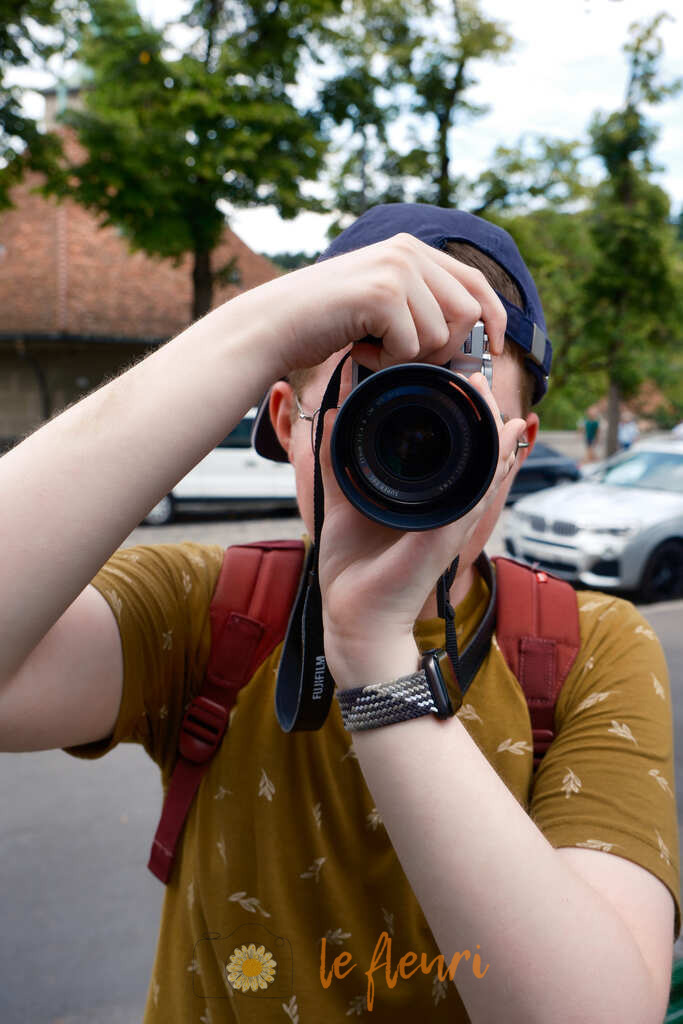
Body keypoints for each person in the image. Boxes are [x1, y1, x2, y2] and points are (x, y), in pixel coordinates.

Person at [0, 204, 678, 1024]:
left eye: (451, 419)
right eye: (372, 405)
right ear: (286, 424)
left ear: (516, 449)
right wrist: (259, 327)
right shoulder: (206, 610)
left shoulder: (586, 649)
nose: (408, 447)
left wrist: (373, 649)